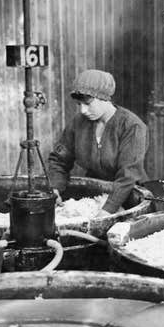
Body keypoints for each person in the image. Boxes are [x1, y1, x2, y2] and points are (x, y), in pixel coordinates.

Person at [48, 69, 148, 217]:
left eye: (88, 104)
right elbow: (59, 159)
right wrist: (55, 188)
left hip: (128, 196)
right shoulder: (78, 123)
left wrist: (107, 211)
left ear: (104, 98)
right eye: (79, 104)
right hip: (94, 195)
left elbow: (128, 175)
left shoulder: (132, 126)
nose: (83, 110)